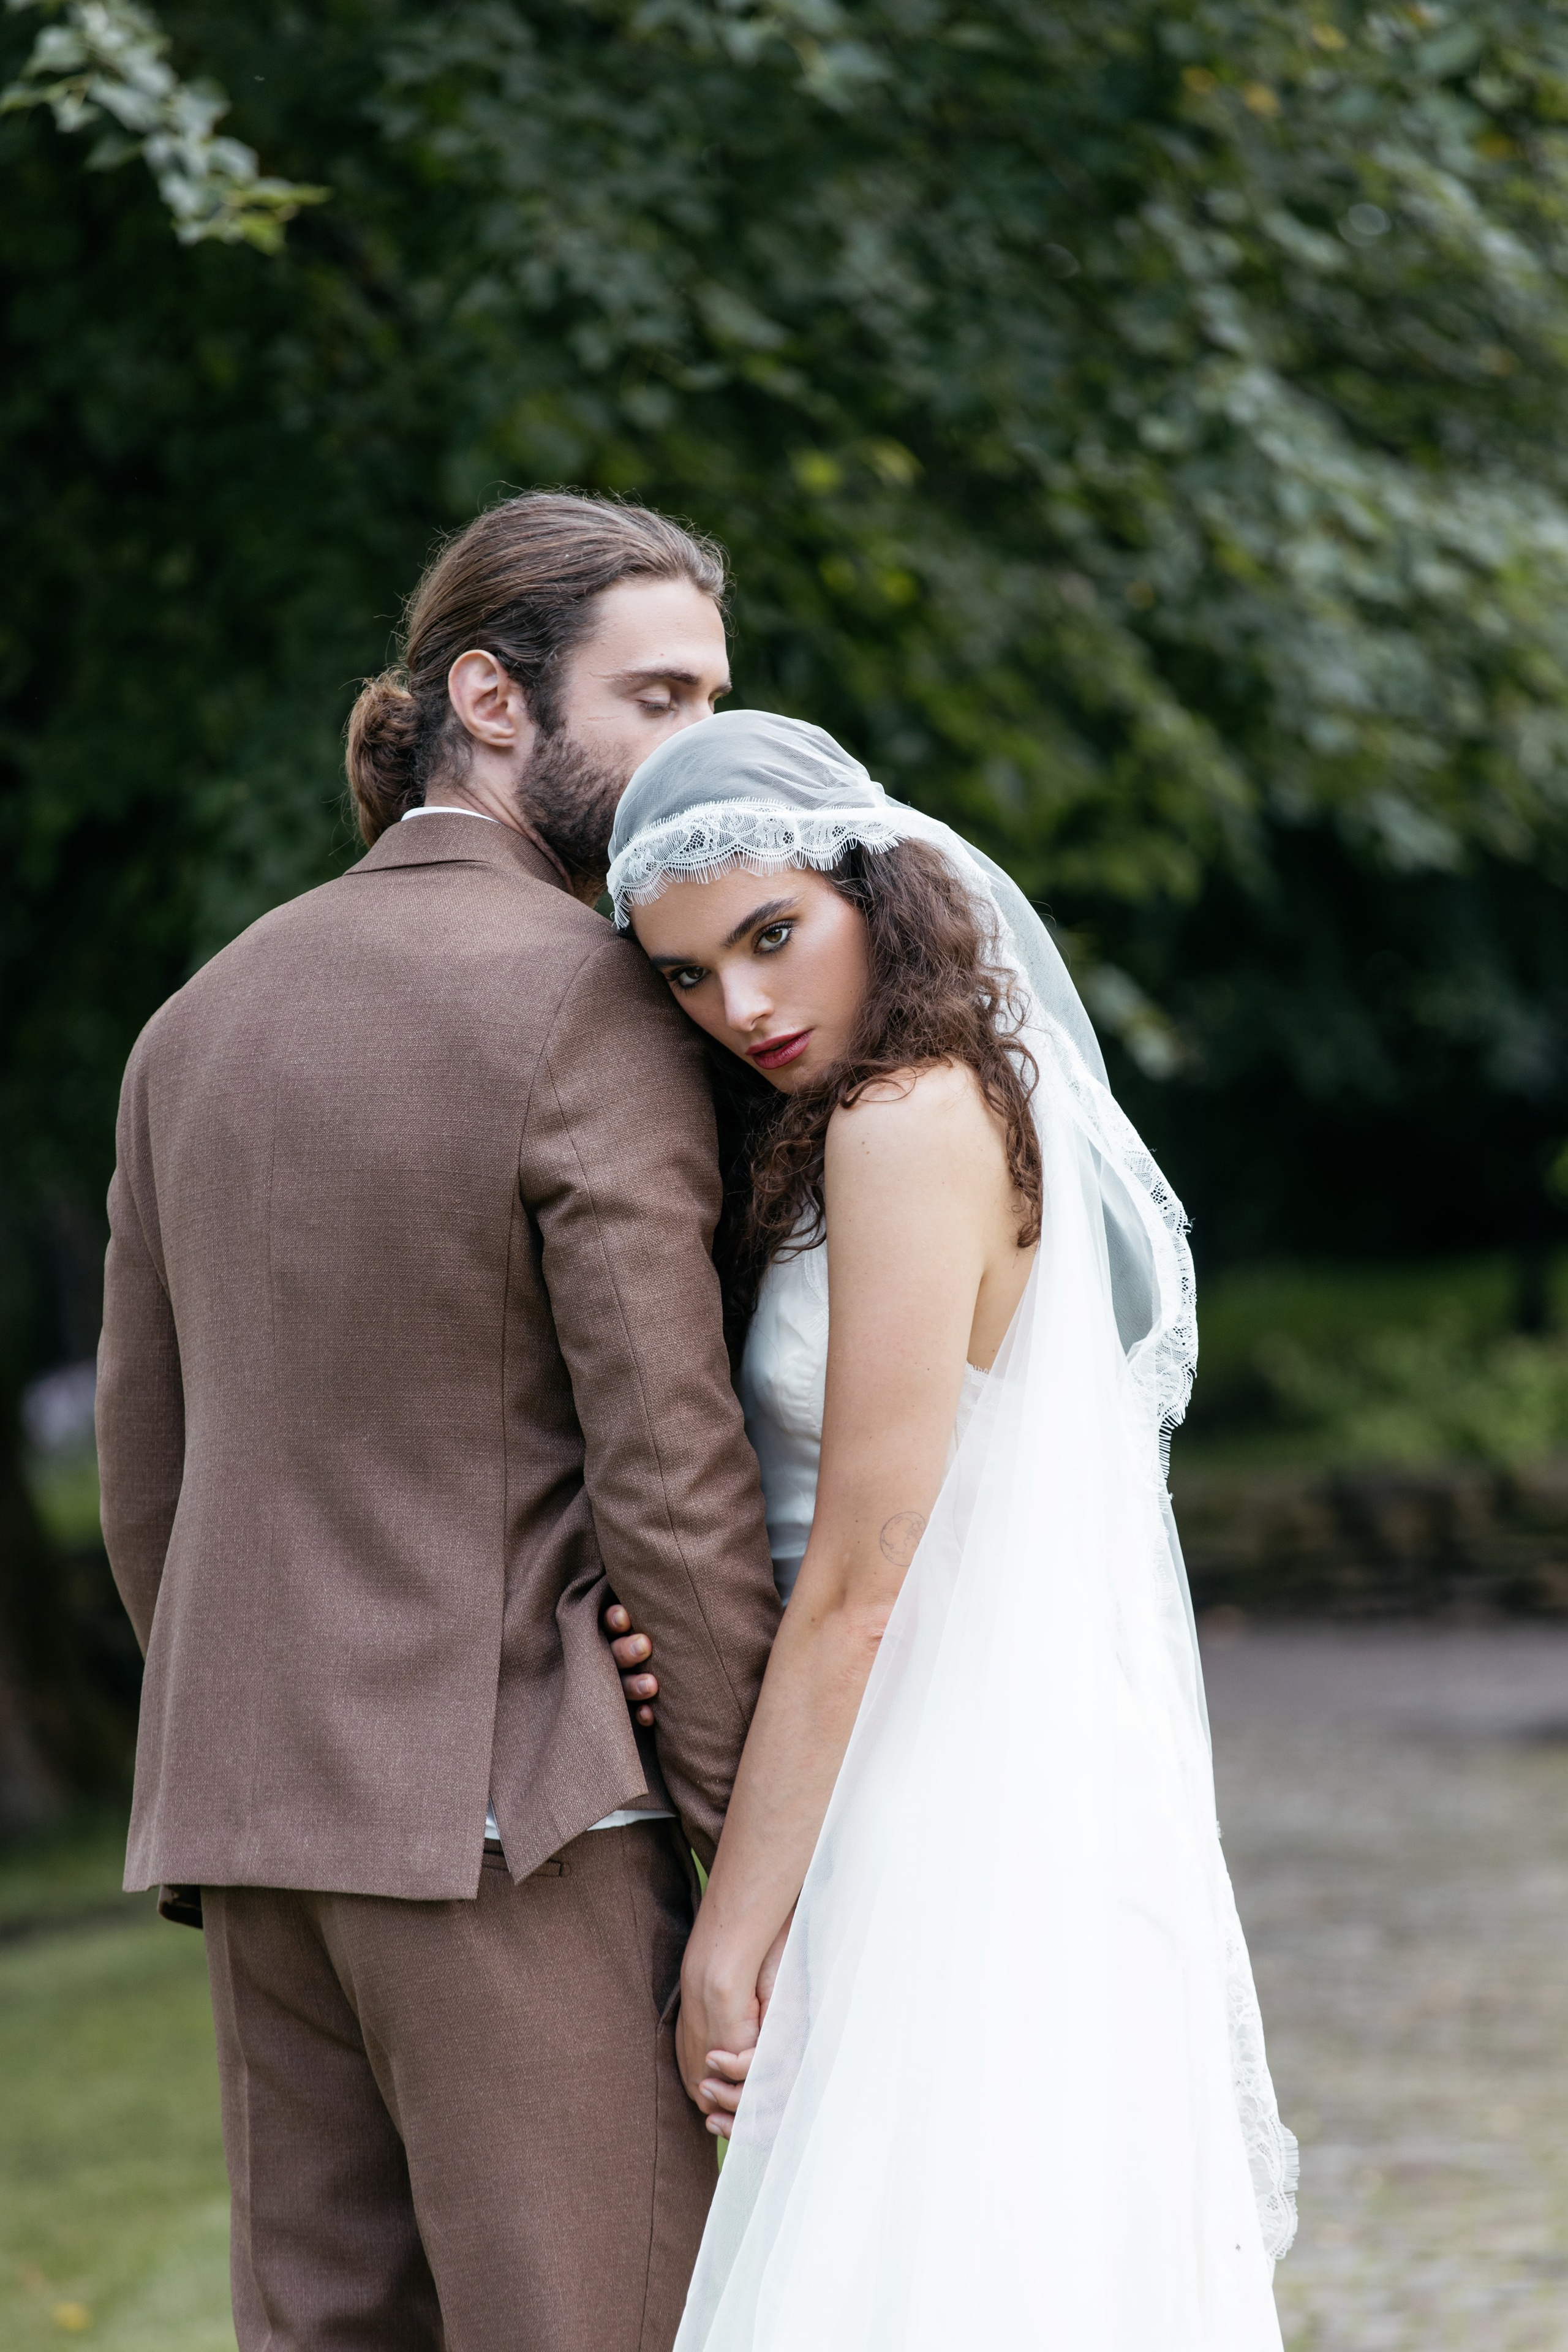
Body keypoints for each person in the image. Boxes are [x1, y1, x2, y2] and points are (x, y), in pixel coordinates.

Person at [95, 492, 782, 2352]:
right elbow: (673, 1477)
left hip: (256, 1838)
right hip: (517, 1835)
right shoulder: (593, 1002)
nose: (692, 747)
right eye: (656, 696)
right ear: (492, 696)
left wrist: (276, 1741)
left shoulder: (193, 1024)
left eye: (714, 699)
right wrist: (761, 1853)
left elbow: (147, 1487)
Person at [604, 709, 1298, 2351]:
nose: (744, 1008)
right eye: (690, 979)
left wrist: (734, 1929)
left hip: (947, 1794)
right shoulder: (963, 1096)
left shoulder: (903, 1120)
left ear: (883, 889)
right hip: (1011, 1768)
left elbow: (863, 1575)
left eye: (772, 937)